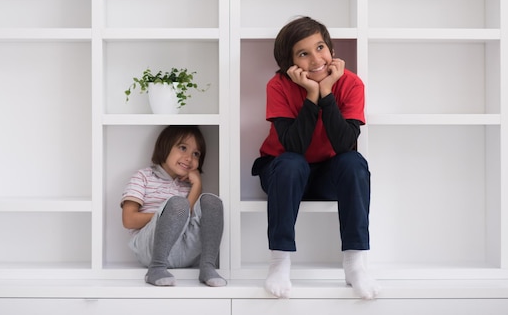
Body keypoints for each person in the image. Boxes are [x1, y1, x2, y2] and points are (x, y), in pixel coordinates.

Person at [251, 16, 379, 299]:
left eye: (320, 47)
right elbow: (293, 146)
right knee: (291, 162)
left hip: (325, 175)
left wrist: (327, 92)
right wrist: (312, 94)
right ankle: (279, 261)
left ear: (331, 49)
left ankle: (355, 264)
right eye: (303, 53)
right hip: (281, 172)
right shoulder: (279, 85)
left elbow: (346, 144)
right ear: (290, 63)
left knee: (355, 163)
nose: (315, 59)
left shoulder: (351, 84)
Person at [121, 125, 226, 287]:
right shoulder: (144, 177)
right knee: (178, 204)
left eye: (196, 154)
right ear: (165, 146)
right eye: (183, 148)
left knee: (212, 202)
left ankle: (207, 266)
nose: (189, 158)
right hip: (151, 248)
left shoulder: (189, 186)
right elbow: (128, 220)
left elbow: (189, 217)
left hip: (184, 251)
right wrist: (164, 216)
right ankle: (156, 267)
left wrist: (197, 185)